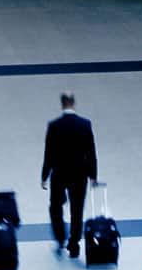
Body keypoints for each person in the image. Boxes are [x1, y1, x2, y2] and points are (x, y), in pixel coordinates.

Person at [41, 93, 99, 257]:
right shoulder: (85, 124)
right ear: (74, 103)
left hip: (59, 173)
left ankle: (60, 236)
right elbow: (91, 152)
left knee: (56, 206)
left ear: (61, 104)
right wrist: (93, 175)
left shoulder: (54, 126)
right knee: (77, 209)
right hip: (79, 173)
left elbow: (49, 153)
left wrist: (44, 175)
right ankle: (74, 243)